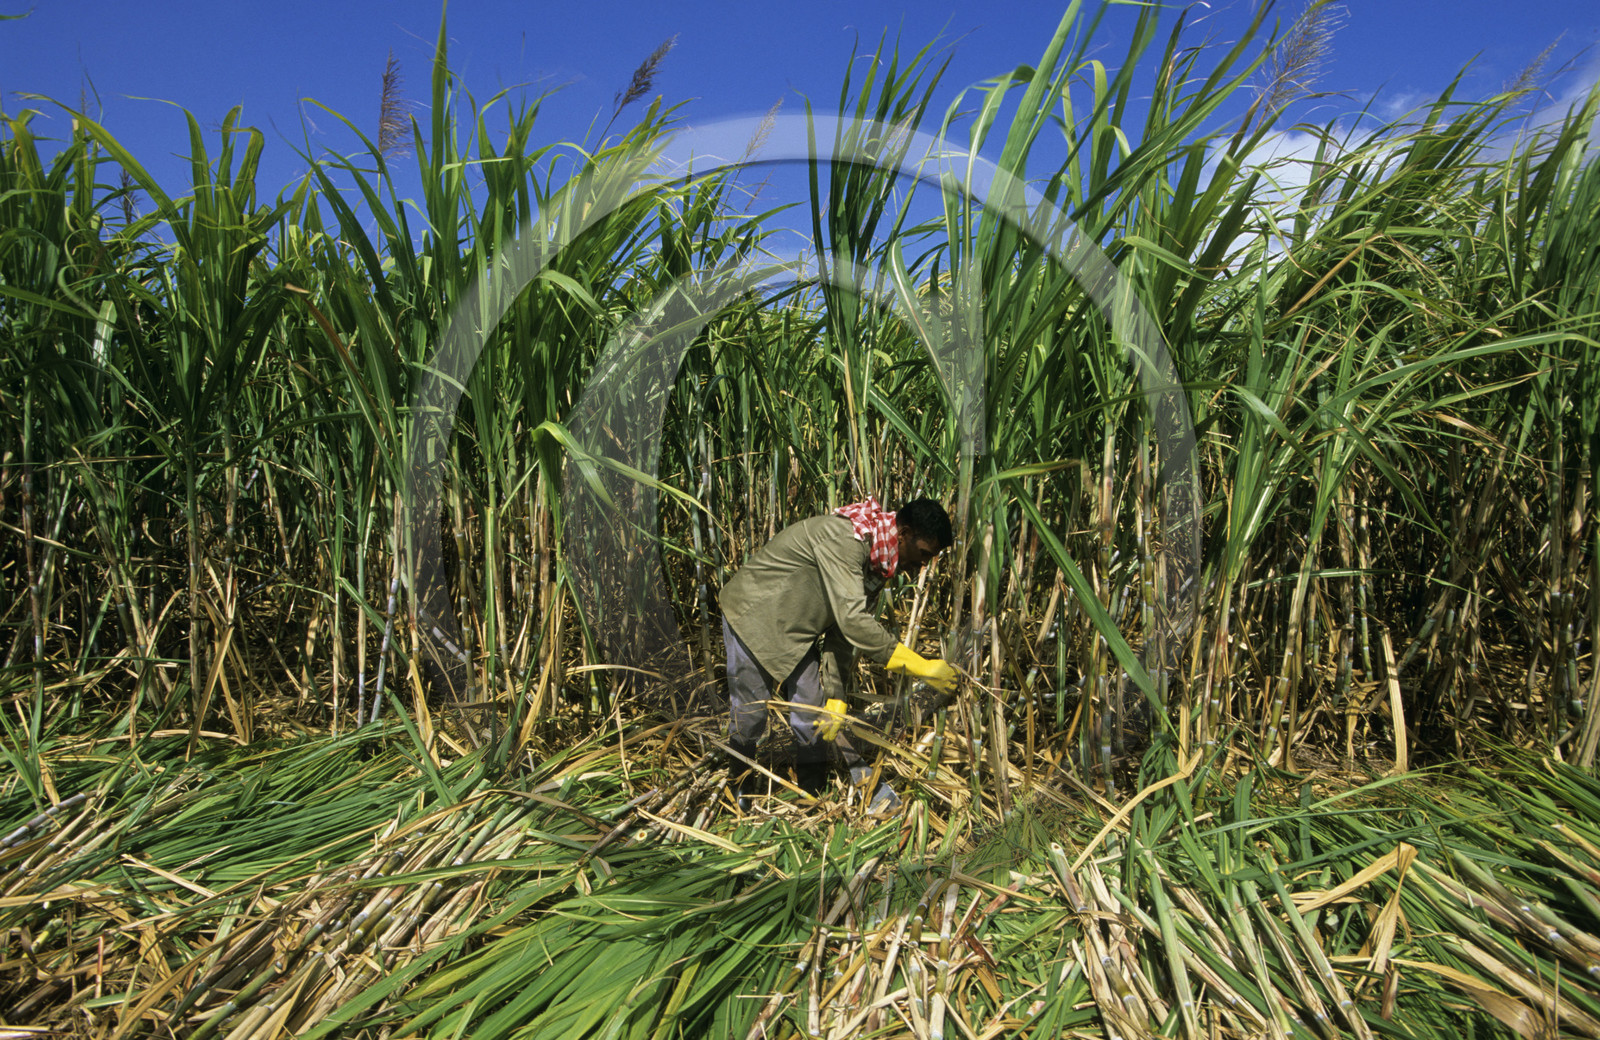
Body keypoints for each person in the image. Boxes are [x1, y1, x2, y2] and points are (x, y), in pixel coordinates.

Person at [719, 495, 958, 812]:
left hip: (794, 629)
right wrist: (921, 667)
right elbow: (853, 621)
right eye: (923, 553)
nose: (923, 565)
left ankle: (811, 794)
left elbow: (843, 634)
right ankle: (739, 790)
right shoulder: (847, 540)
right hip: (753, 615)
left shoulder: (877, 562)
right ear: (904, 533)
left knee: (811, 709)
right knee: (751, 715)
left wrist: (836, 693)